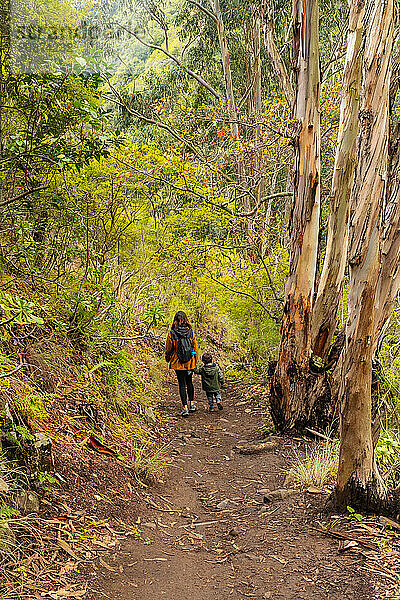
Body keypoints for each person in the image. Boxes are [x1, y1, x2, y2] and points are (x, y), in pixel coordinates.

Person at [165, 311, 199, 417]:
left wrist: (167, 358)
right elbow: (195, 348)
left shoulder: (172, 333)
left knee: (182, 384)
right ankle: (192, 403)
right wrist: (195, 360)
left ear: (175, 321)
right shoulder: (190, 332)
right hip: (189, 362)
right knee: (189, 382)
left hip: (177, 362)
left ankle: (185, 408)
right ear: (186, 320)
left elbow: (168, 349)